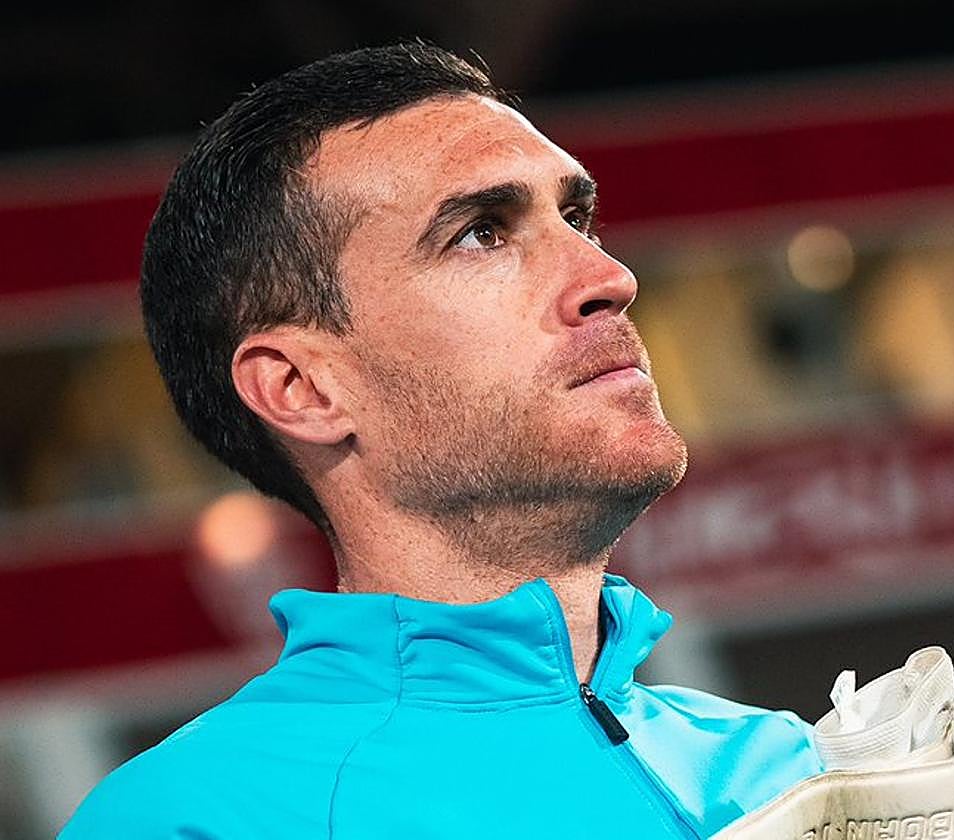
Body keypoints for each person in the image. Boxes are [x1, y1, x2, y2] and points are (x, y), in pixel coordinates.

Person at [60, 40, 821, 838]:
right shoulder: (192, 819)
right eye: (480, 233)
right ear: (303, 388)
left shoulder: (799, 769)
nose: (609, 277)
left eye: (575, 217)